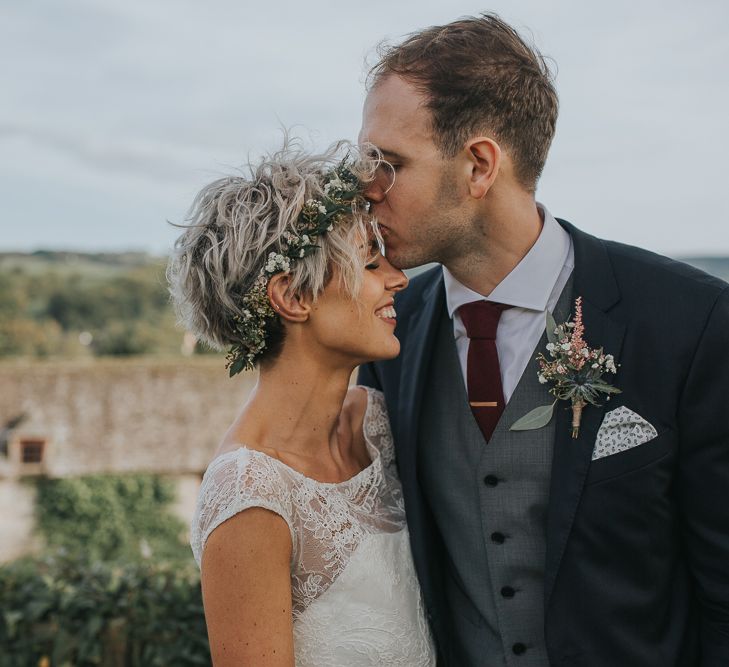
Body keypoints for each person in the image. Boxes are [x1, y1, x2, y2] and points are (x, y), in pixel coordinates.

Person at [357, 13, 729, 666]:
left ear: (478, 166)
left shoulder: (690, 323)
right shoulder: (388, 333)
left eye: (388, 164)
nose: (367, 191)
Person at [168, 140, 435, 665]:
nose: (399, 279)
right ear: (293, 297)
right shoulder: (249, 497)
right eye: (371, 263)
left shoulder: (379, 424)